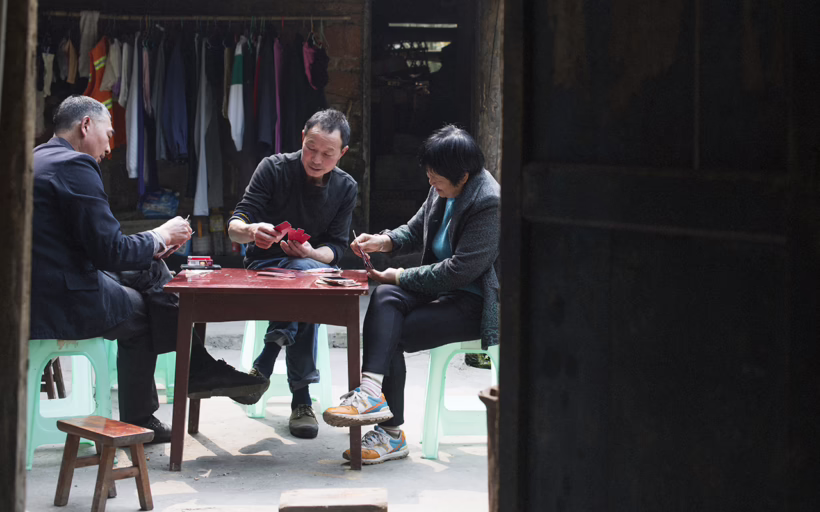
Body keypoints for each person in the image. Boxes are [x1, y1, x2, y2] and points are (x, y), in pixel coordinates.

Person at [30, 96, 269, 443]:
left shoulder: (38, 157)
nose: (110, 148)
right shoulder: (75, 166)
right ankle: (149, 411)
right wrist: (160, 235)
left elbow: (94, 244)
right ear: (85, 126)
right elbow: (110, 251)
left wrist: (155, 246)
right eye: (109, 135)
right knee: (144, 314)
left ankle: (198, 368)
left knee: (150, 271)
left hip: (40, 285)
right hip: (60, 298)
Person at [322, 125, 500, 464]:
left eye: (437, 179)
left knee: (389, 332)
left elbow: (459, 271)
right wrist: (383, 240)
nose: (431, 184)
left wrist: (400, 274)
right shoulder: (442, 186)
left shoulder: (488, 202)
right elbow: (416, 228)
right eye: (429, 176)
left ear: (463, 175)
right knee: (385, 297)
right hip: (441, 292)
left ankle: (390, 433)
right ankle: (372, 391)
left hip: (473, 303)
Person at [227, 109, 358, 439]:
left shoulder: (345, 187)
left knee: (308, 276)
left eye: (327, 154)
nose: (316, 159)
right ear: (302, 137)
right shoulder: (273, 169)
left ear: (342, 153)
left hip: (312, 271)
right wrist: (251, 230)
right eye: (311, 148)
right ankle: (301, 399)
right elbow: (235, 225)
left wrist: (311, 254)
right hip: (265, 269)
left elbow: (337, 248)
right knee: (309, 282)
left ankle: (265, 363)